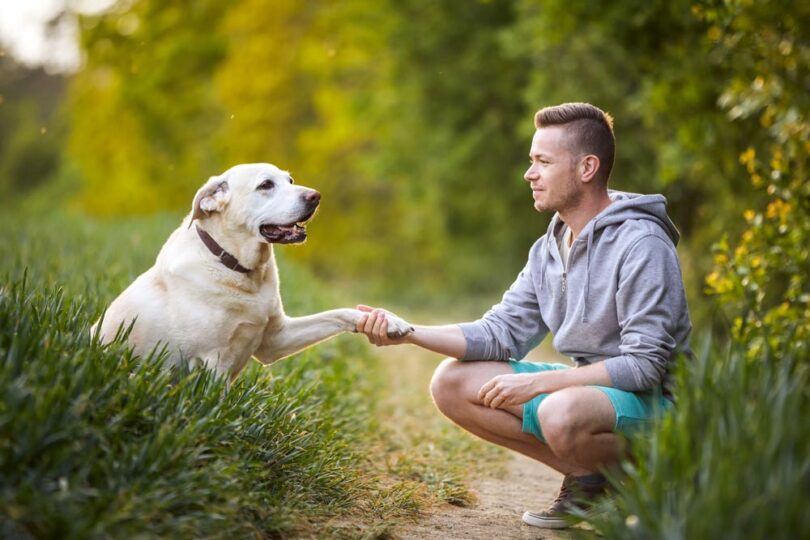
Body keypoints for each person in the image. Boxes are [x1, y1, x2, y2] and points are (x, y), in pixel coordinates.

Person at [355, 102, 692, 530]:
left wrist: (543, 382)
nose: (529, 174)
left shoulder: (641, 243)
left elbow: (646, 366)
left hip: (661, 406)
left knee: (559, 411)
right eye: (532, 161)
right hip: (591, 394)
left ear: (586, 168)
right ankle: (594, 481)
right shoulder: (548, 249)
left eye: (542, 162)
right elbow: (500, 333)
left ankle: (655, 477)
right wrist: (408, 332)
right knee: (452, 382)